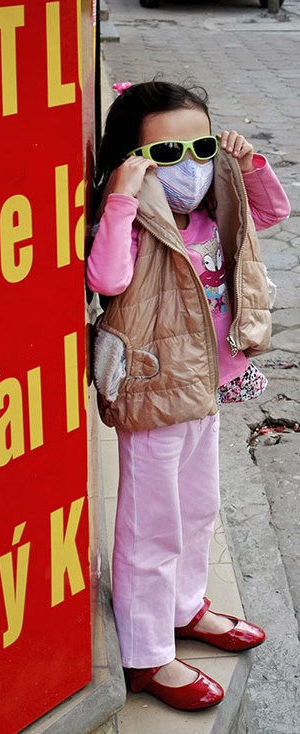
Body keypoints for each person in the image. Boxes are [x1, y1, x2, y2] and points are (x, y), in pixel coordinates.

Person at [87, 80, 291, 711]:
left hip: (207, 383)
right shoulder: (136, 217)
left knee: (199, 507)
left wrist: (247, 163)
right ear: (133, 161)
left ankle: (182, 605)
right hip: (153, 388)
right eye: (167, 154)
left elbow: (273, 213)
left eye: (200, 146)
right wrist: (121, 200)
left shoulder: (213, 207)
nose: (191, 166)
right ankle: (146, 654)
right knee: (151, 524)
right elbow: (107, 278)